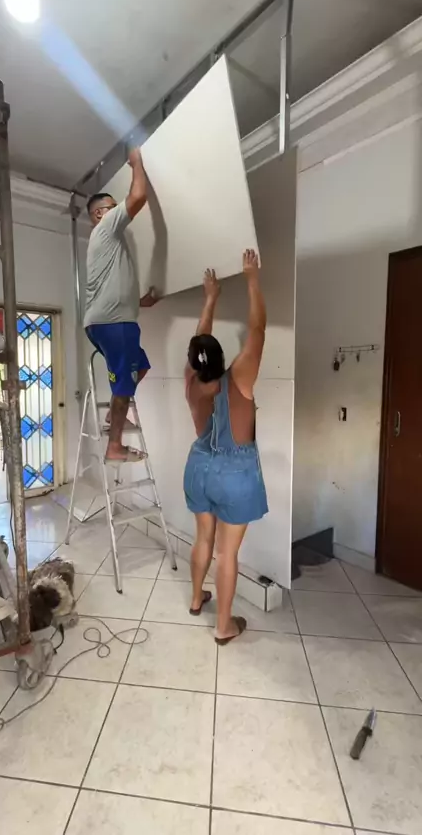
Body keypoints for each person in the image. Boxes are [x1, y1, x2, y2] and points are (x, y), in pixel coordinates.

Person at [184, 249, 268, 644]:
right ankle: (223, 627)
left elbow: (198, 342)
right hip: (234, 475)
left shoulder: (191, 380)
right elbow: (258, 330)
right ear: (222, 356)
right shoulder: (239, 378)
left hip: (199, 467)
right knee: (226, 553)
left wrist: (210, 299)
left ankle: (196, 598)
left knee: (203, 537)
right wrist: (252, 279)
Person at [84, 147, 157, 462]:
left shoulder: (111, 243)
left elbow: (113, 287)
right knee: (124, 383)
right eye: (113, 207)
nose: (118, 211)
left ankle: (114, 415)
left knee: (141, 366)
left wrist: (142, 302)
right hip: (113, 324)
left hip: (111, 322)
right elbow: (138, 196)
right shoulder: (105, 228)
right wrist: (137, 162)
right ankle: (114, 446)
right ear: (100, 214)